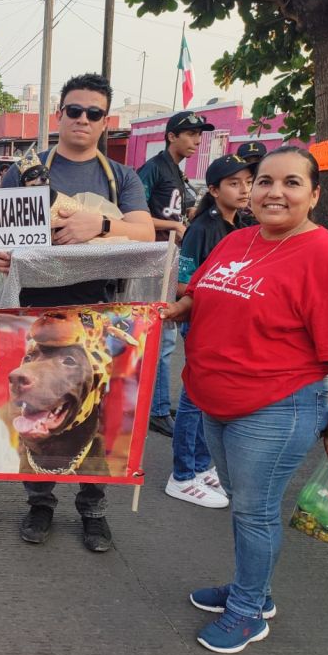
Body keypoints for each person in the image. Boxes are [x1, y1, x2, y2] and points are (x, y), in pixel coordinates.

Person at [163, 145, 328, 654]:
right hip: (215, 399)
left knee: (254, 512)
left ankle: (248, 611)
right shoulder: (239, 240)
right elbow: (200, 292)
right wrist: (177, 308)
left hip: (276, 408)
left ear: (315, 195)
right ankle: (251, 589)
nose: (274, 192)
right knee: (243, 505)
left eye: (291, 183)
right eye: (264, 181)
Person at [0, 72, 154, 553]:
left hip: (100, 312)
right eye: (74, 110)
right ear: (59, 114)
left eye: (94, 113)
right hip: (36, 310)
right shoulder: (26, 169)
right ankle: (39, 502)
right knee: (34, 410)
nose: (83, 119)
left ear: (105, 121)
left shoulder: (120, 177)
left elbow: (145, 233)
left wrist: (98, 224)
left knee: (96, 409)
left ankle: (93, 509)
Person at [165, 154, 253, 509]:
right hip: (201, 322)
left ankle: (202, 466)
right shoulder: (203, 228)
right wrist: (221, 296)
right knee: (193, 400)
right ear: (214, 190)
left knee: (210, 399)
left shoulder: (241, 224)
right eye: (234, 183)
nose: (244, 189)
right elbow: (182, 283)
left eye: (248, 182)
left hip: (226, 325)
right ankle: (182, 475)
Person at [137, 110, 214, 438]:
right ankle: (155, 410)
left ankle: (156, 403)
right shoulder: (154, 168)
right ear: (171, 136)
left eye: (199, 135)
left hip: (169, 258)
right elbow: (132, 213)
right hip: (152, 259)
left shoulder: (177, 172)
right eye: (190, 134)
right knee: (162, 336)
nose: (197, 140)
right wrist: (174, 226)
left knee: (163, 337)